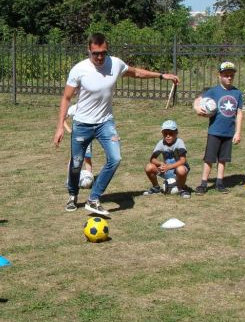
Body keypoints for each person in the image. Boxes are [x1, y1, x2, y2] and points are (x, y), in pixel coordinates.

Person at [53, 33, 180, 216]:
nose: (99, 57)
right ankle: (73, 195)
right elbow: (66, 98)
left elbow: (135, 72)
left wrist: (161, 75)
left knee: (115, 158)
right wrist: (60, 126)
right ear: (89, 50)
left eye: (103, 53)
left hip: (105, 122)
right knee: (76, 164)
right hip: (82, 124)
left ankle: (94, 198)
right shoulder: (79, 69)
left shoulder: (115, 63)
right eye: (95, 53)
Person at [193, 61, 243, 194]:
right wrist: (197, 109)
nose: (229, 77)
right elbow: (198, 100)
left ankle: (219, 183)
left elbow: (239, 113)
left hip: (229, 132)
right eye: (226, 75)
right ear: (219, 75)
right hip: (214, 131)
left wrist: (237, 132)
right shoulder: (213, 91)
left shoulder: (237, 93)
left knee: (223, 159)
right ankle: (204, 183)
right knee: (209, 158)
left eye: (231, 75)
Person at [143, 120, 191, 199]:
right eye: (165, 133)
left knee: (181, 169)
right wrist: (161, 164)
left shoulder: (179, 142)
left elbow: (183, 160)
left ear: (176, 133)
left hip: (178, 170)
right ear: (162, 133)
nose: (168, 136)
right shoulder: (161, 143)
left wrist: (169, 166)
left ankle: (182, 189)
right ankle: (156, 187)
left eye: (171, 133)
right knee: (149, 167)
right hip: (167, 170)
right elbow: (152, 159)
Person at [64, 103, 93, 197]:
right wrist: (69, 130)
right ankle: (69, 179)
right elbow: (63, 119)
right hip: (77, 138)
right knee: (74, 158)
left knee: (87, 157)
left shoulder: (90, 106)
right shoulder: (73, 108)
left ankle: (89, 179)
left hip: (88, 137)